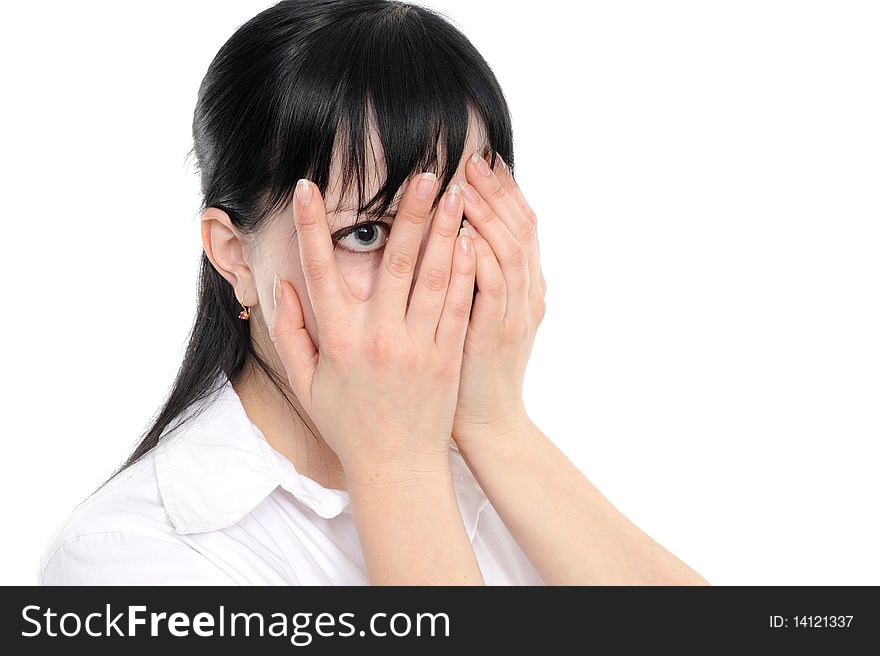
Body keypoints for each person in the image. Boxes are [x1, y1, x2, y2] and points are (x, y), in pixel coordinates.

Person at [39, 0, 708, 586]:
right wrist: (395, 462)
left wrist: (497, 425)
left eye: (459, 219)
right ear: (234, 255)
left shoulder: (498, 481)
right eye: (363, 232)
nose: (426, 273)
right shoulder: (130, 554)